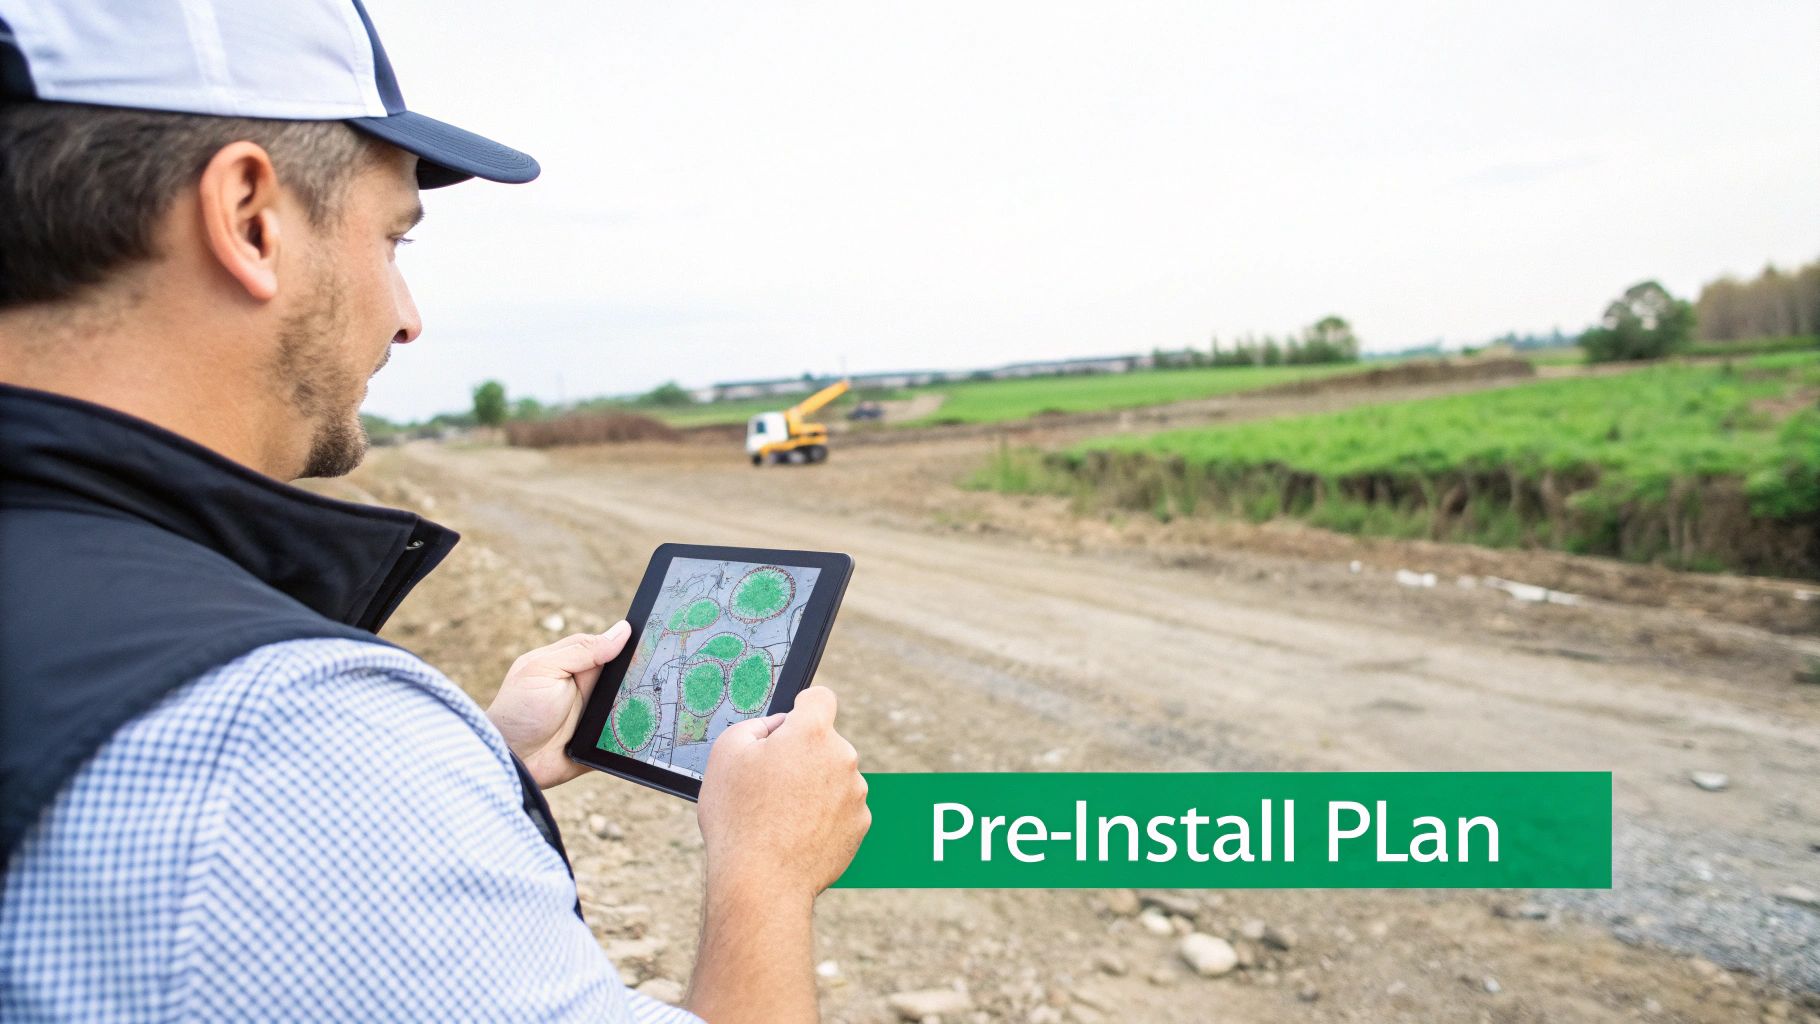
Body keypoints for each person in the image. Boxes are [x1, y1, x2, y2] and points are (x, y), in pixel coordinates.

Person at [0, 3, 870, 1021]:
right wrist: (764, 872)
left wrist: (477, 767)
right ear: (248, 215)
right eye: (392, 238)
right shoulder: (289, 741)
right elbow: (258, 818)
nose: (408, 318)